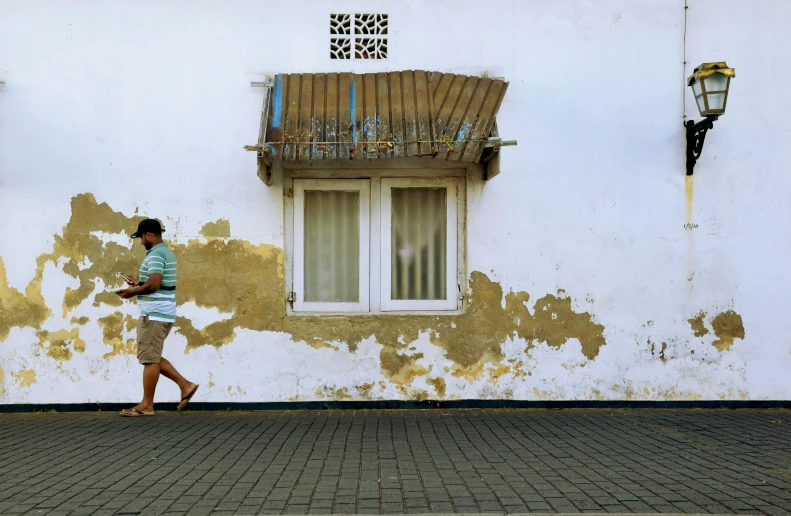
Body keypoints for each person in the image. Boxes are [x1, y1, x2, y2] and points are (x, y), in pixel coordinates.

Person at [116, 218, 198, 416]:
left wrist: (132, 291)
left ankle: (146, 406)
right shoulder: (165, 252)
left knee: (149, 359)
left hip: (153, 314)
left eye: (141, 238)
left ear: (149, 235)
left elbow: (154, 284)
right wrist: (139, 281)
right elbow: (157, 282)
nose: (141, 242)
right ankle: (185, 385)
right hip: (163, 312)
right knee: (151, 356)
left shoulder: (155, 254)